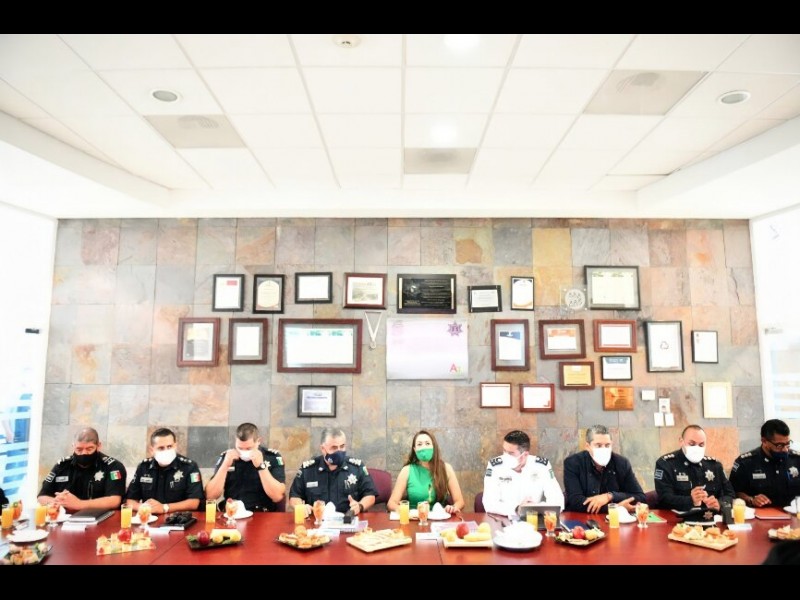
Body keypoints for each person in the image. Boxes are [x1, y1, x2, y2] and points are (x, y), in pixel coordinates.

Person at [289, 427, 377, 516]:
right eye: (334, 447)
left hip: (348, 519)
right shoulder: (308, 470)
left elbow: (370, 495)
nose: (339, 451)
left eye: (342, 446)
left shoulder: (356, 467)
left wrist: (360, 506)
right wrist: (300, 506)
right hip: (317, 520)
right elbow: (294, 496)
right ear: (323, 449)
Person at [37, 427, 127, 512]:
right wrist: (56, 503)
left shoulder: (113, 467)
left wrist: (79, 504)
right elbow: (42, 496)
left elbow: (114, 501)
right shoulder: (62, 466)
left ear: (98, 446)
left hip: (102, 517)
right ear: (73, 446)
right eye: (79, 449)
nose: (84, 453)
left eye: (89, 449)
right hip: (65, 517)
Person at [563, 425, 646, 513]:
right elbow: (576, 502)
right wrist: (616, 508)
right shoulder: (573, 463)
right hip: (581, 517)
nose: (603, 449)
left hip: (615, 519)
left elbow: (640, 497)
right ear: (587, 446)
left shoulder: (622, 463)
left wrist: (610, 496)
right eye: (598, 445)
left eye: (607, 445)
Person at [654, 424, 735, 513]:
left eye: (701, 444)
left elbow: (730, 494)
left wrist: (720, 504)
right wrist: (691, 500)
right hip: (678, 518)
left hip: (711, 517)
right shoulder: (666, 464)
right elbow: (664, 498)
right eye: (692, 444)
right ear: (681, 441)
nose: (696, 448)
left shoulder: (714, 465)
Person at [205, 422, 286, 511]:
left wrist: (261, 466)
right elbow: (210, 496)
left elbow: (277, 496)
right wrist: (225, 466)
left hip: (262, 513)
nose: (244, 452)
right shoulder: (227, 457)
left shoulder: (272, 457)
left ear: (258, 441)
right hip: (233, 512)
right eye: (240, 448)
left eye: (249, 448)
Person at [482, 430, 564, 517]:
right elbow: (489, 503)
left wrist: (534, 508)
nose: (505, 456)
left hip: (533, 519)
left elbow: (558, 501)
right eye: (504, 451)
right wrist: (517, 508)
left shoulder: (541, 466)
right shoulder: (495, 466)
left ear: (525, 455)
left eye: (510, 453)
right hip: (503, 519)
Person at [125, 427, 204, 515]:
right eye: (161, 448)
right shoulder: (144, 467)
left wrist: (164, 508)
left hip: (178, 518)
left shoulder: (189, 467)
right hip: (150, 518)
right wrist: (144, 508)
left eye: (169, 447)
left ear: (175, 446)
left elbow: (194, 502)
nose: (166, 451)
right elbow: (130, 500)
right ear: (152, 450)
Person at [386, 430, 465, 514]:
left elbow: (460, 501)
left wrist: (453, 508)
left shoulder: (446, 468)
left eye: (427, 443)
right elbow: (391, 503)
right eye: (419, 444)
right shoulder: (407, 470)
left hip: (440, 518)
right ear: (415, 449)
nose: (424, 447)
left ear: (433, 447)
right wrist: (403, 511)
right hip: (415, 518)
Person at [730, 418, 800, 508]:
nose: (785, 450)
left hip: (794, 513)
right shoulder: (745, 462)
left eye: (787, 444)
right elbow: (734, 492)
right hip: (761, 514)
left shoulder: (797, 459)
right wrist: (751, 499)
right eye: (779, 445)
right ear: (764, 441)